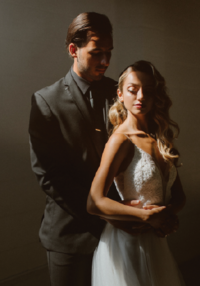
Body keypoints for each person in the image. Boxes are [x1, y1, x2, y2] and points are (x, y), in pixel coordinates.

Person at [28, 12, 120, 286]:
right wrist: (106, 210)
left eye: (109, 53)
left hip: (119, 235)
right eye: (96, 53)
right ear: (73, 50)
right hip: (69, 236)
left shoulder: (120, 93)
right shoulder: (46, 101)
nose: (105, 61)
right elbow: (49, 176)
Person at [87, 60, 186, 286]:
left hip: (156, 242)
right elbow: (93, 203)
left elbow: (179, 196)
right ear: (121, 95)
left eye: (148, 91)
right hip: (127, 243)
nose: (140, 97)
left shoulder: (161, 138)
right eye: (133, 90)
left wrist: (167, 216)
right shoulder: (120, 141)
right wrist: (145, 216)